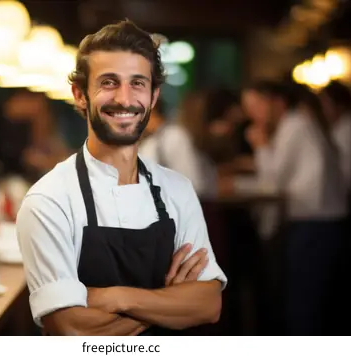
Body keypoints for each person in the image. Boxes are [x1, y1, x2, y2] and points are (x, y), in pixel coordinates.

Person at [16, 20, 227, 336]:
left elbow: (208, 305)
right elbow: (70, 329)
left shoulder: (177, 190)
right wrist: (168, 300)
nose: (125, 99)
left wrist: (114, 297)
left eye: (138, 83)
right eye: (109, 82)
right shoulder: (48, 200)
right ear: (80, 95)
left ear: (153, 96)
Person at [241, 81, 347, 335]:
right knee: (311, 303)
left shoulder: (293, 125)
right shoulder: (300, 123)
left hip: (314, 225)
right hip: (323, 224)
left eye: (256, 106)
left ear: (276, 102)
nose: (251, 115)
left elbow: (273, 183)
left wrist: (260, 145)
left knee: (303, 306)